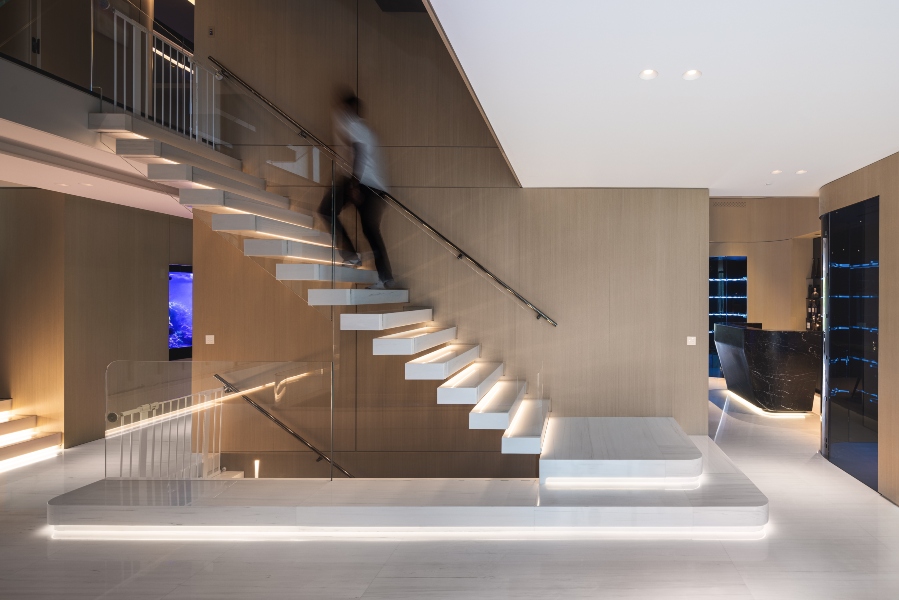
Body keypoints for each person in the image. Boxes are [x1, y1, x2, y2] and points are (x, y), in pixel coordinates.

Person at [318, 93, 394, 289]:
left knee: (326, 210)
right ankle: (385, 277)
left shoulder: (353, 125)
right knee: (370, 230)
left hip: (362, 183)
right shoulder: (363, 128)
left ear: (350, 109)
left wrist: (353, 185)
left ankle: (351, 256)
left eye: (343, 108)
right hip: (375, 186)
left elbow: (358, 152)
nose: (340, 112)